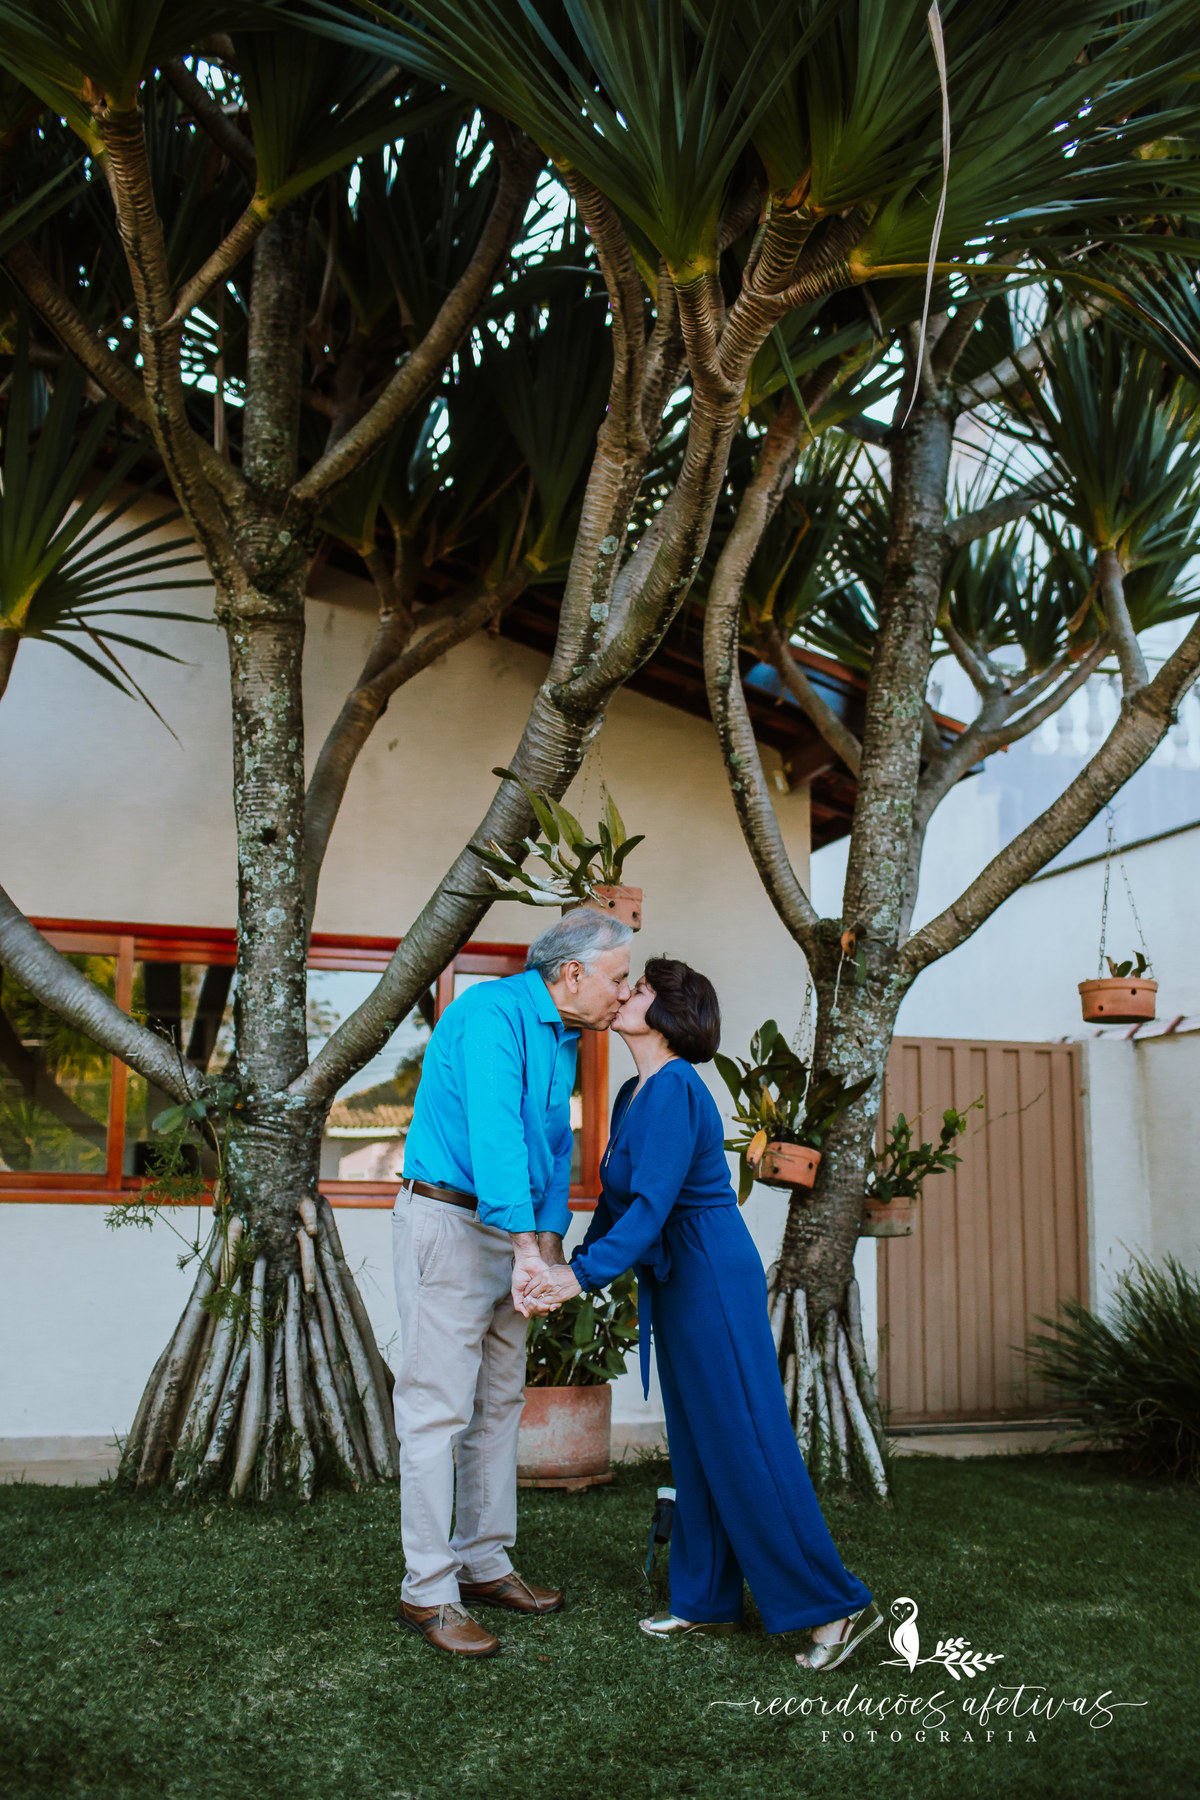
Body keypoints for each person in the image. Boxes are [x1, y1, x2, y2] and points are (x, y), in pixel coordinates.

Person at [530, 957, 881, 1670]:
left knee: (745, 1438)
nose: (626, 994)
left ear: (670, 1012)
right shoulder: (635, 1091)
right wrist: (571, 1264)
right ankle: (704, 1601)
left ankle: (835, 1604)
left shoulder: (678, 1088)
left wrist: (581, 1277)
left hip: (712, 1275)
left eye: (642, 987)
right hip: (677, 1274)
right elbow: (623, 1205)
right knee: (695, 1444)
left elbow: (656, 1206)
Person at [392, 909, 633, 1658]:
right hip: (452, 1223)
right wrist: (528, 1250)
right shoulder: (487, 1013)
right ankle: (427, 1591)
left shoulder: (562, 1036)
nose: (623, 996)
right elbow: (496, 1137)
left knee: (500, 1400)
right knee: (437, 1410)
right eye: (617, 979)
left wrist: (547, 1248)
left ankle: (483, 1562)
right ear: (571, 975)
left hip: (517, 1234)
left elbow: (553, 1147)